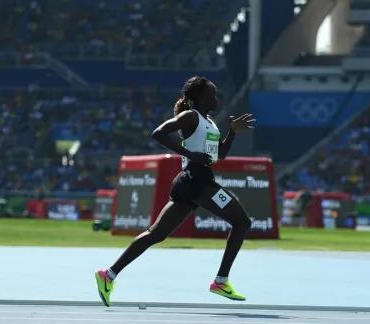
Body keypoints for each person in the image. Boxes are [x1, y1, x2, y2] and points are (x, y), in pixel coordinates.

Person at [94, 76, 256, 307]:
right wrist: (190, 155)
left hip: (193, 182)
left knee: (156, 234)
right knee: (242, 222)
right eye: (213, 93)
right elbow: (158, 132)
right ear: (200, 96)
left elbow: (219, 155)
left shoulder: (209, 122)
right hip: (196, 180)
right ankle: (220, 281)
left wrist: (233, 132)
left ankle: (108, 275)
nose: (217, 97)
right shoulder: (190, 117)